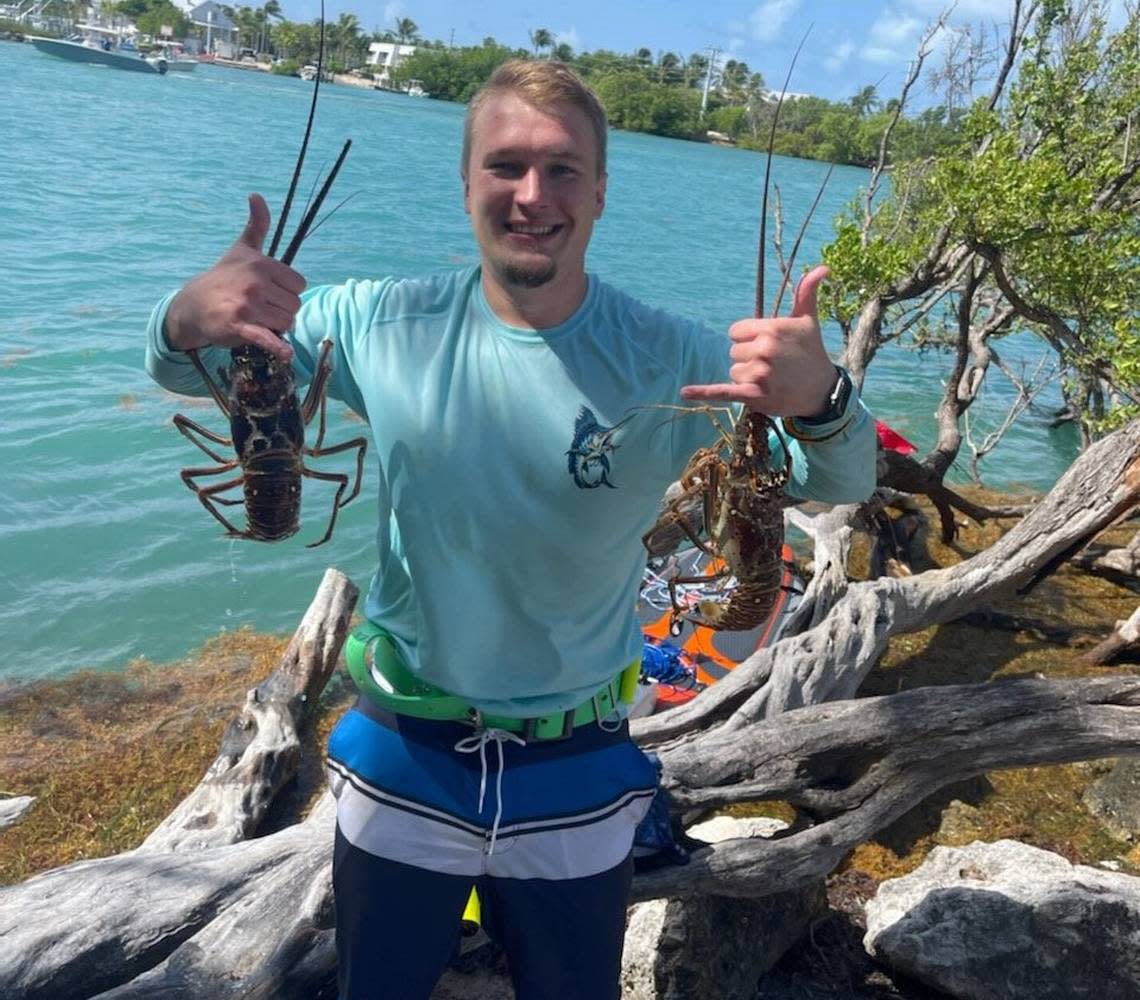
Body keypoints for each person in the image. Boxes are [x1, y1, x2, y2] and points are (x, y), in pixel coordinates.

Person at [145, 59, 875, 1000]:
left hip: (577, 766)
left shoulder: (675, 355)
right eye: (506, 166)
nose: (534, 195)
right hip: (404, 753)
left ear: (602, 191)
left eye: (563, 168)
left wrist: (822, 398)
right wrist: (186, 317)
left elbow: (842, 477)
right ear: (465, 185)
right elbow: (187, 371)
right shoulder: (373, 321)